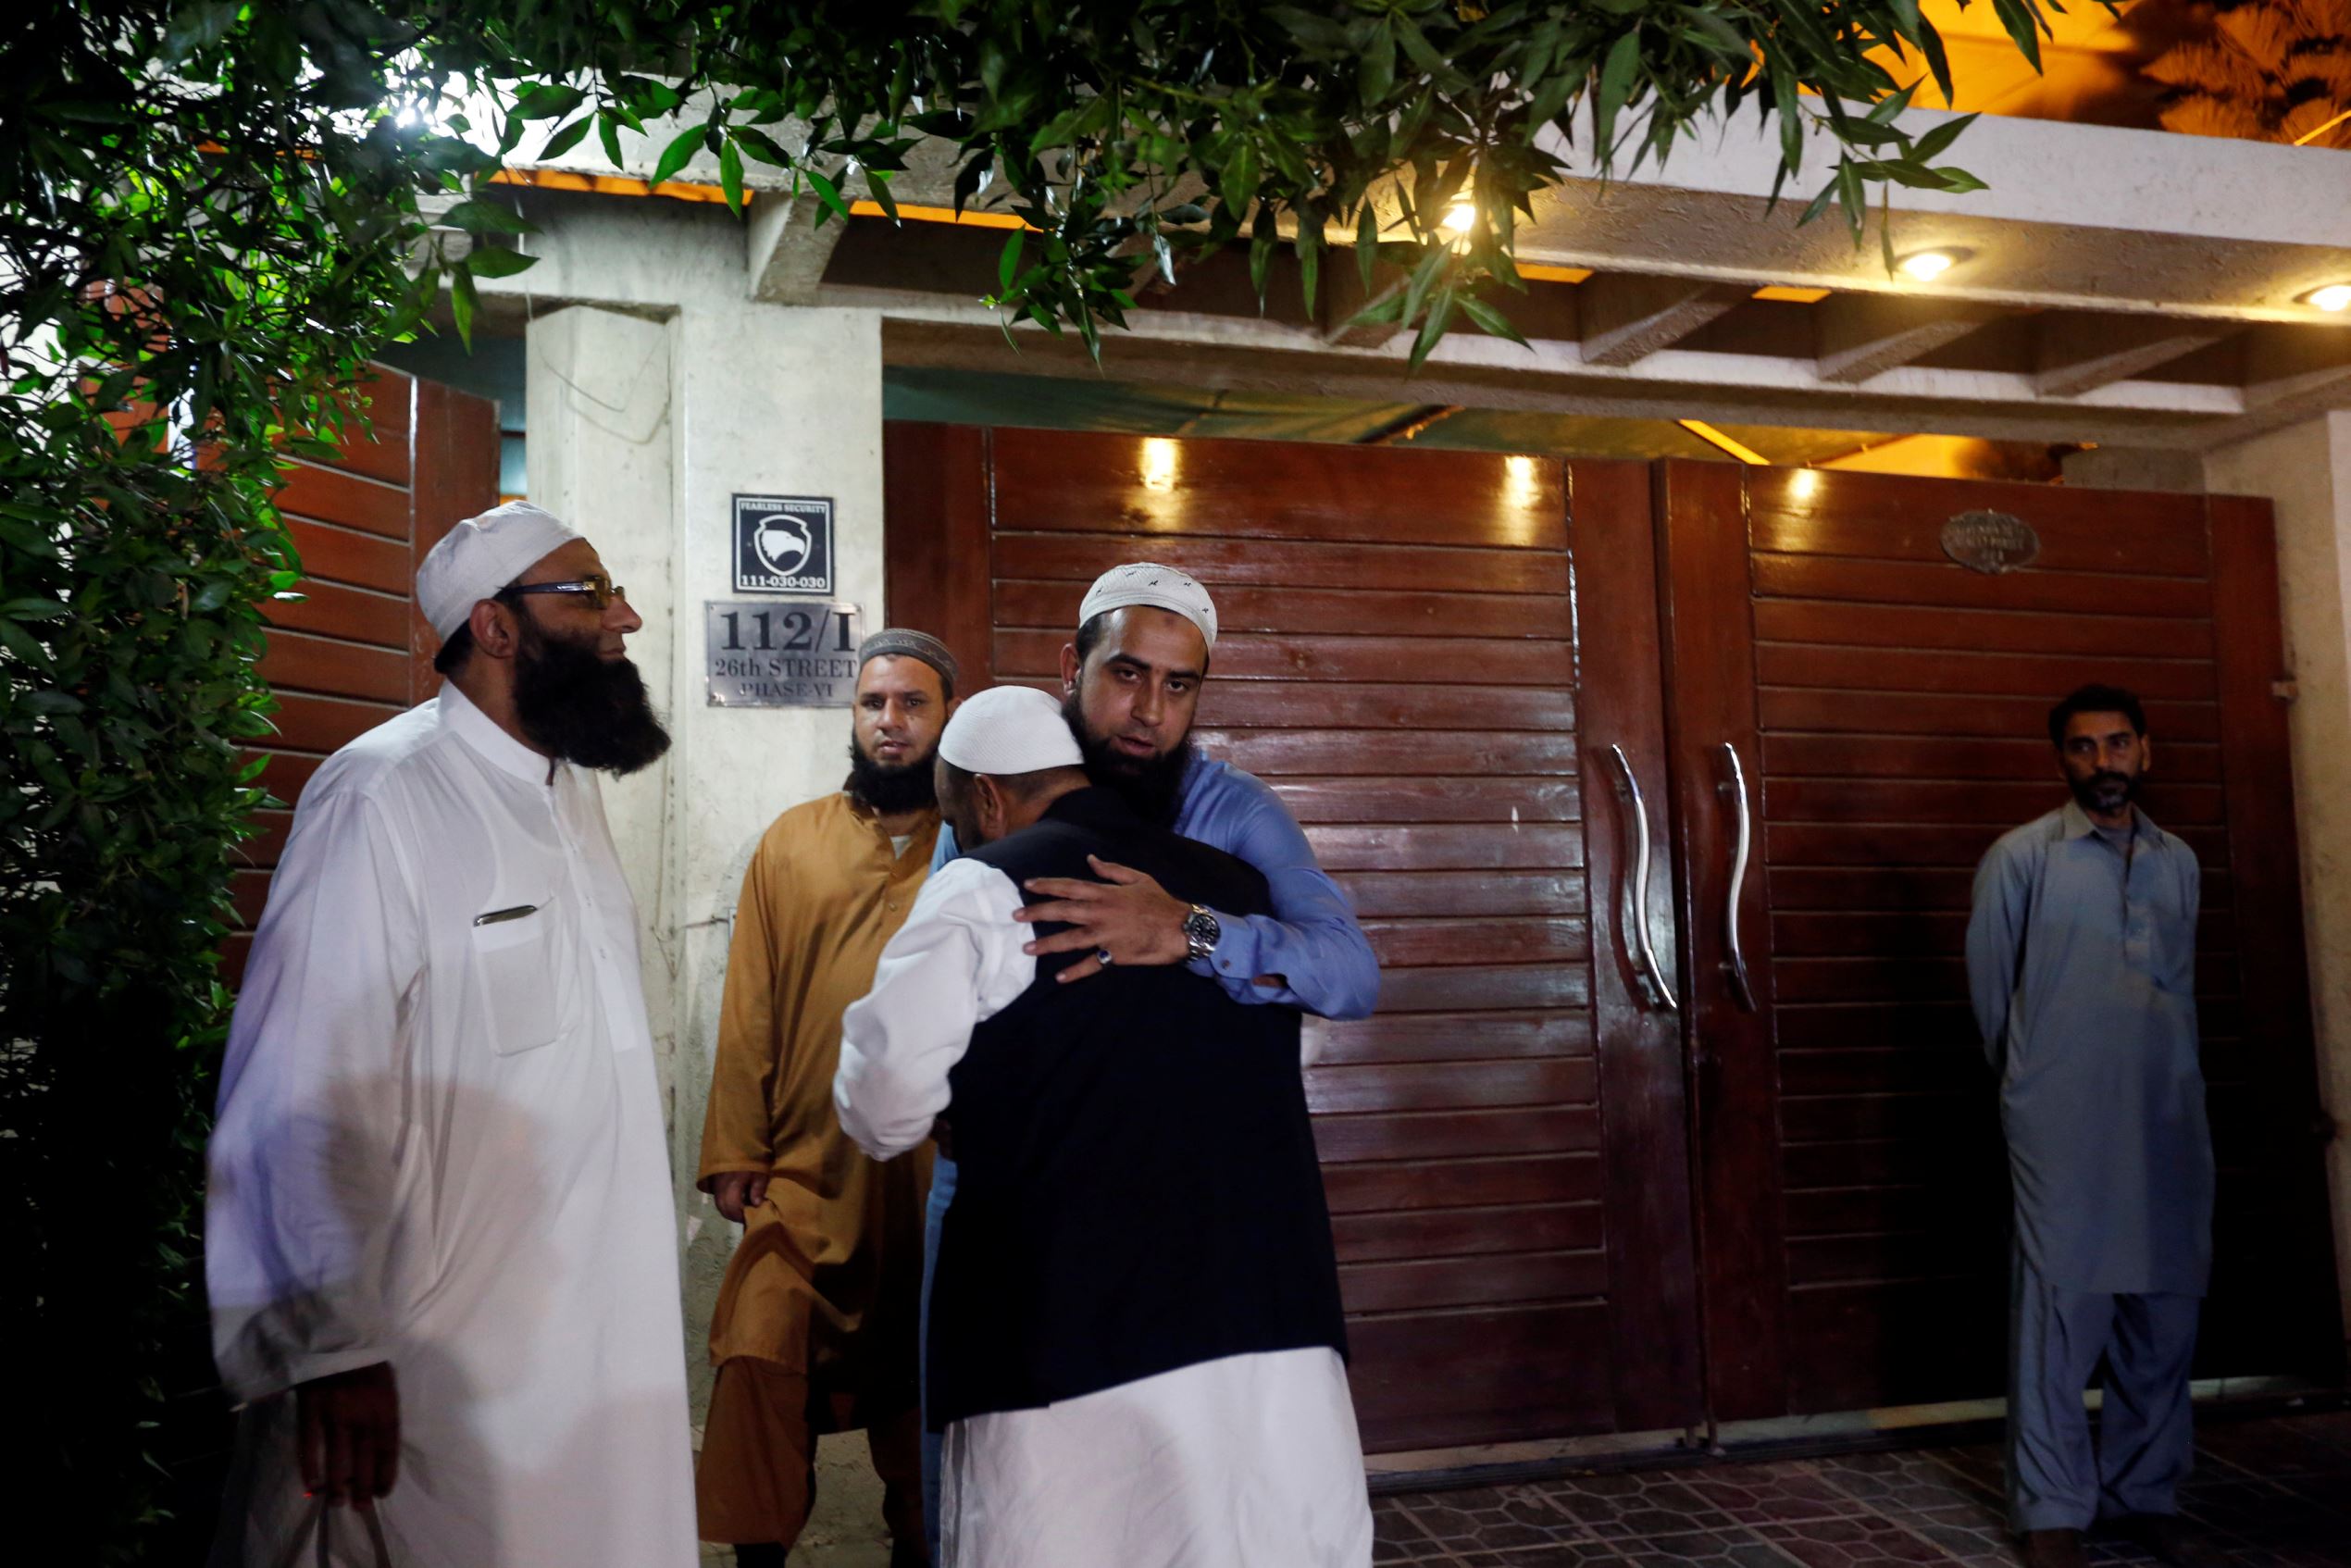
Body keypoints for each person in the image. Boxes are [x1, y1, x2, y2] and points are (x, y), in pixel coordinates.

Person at [205, 502, 695, 1567]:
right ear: (496, 624)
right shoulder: (381, 794)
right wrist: (331, 1347)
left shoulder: (564, 793)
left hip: (602, 1342)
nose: (627, 617)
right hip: (437, 1361)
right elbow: (302, 1074)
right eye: (591, 593)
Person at [837, 687, 1371, 1568]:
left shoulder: (982, 885)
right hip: (1271, 1324)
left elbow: (882, 1102)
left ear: (984, 798)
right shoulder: (1234, 893)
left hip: (1063, 1344)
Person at [692, 629, 960, 1567]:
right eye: (874, 702)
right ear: (853, 715)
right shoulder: (792, 839)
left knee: (928, 1395)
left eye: (913, 703)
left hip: (933, 1179)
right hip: (803, 1178)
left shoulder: (974, 846)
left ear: (945, 718)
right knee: (757, 1356)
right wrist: (734, 1147)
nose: (891, 722)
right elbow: (750, 999)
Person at [1966, 684, 2222, 1568]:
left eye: (2118, 745)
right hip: (2062, 1129)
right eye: (2083, 748)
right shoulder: (2021, 859)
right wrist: (2037, 1098)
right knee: (2057, 1318)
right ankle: (2051, 1512)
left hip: (2164, 1122)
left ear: (2145, 751)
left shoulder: (2177, 861)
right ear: (2061, 759)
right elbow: (1995, 1006)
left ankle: (2144, 1492)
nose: (2103, 762)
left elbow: (2175, 993)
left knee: (2164, 1316)